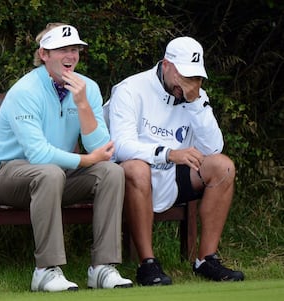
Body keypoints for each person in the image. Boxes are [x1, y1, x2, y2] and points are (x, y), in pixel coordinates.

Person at [0, 23, 133, 292]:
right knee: (48, 172)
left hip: (56, 177)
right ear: (44, 54)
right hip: (5, 177)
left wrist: (83, 104)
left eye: (74, 49)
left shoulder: (88, 88)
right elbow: (38, 154)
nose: (70, 56)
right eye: (62, 49)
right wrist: (86, 160)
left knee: (112, 173)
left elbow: (101, 150)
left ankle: (102, 268)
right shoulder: (25, 91)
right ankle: (46, 271)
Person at [104, 36, 245, 285]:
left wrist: (195, 104)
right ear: (167, 65)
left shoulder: (194, 96)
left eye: (195, 77)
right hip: (128, 177)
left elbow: (213, 148)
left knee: (223, 167)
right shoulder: (130, 89)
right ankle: (147, 264)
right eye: (184, 76)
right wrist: (168, 153)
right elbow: (122, 146)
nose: (189, 84)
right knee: (137, 169)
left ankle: (206, 260)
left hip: (173, 174)